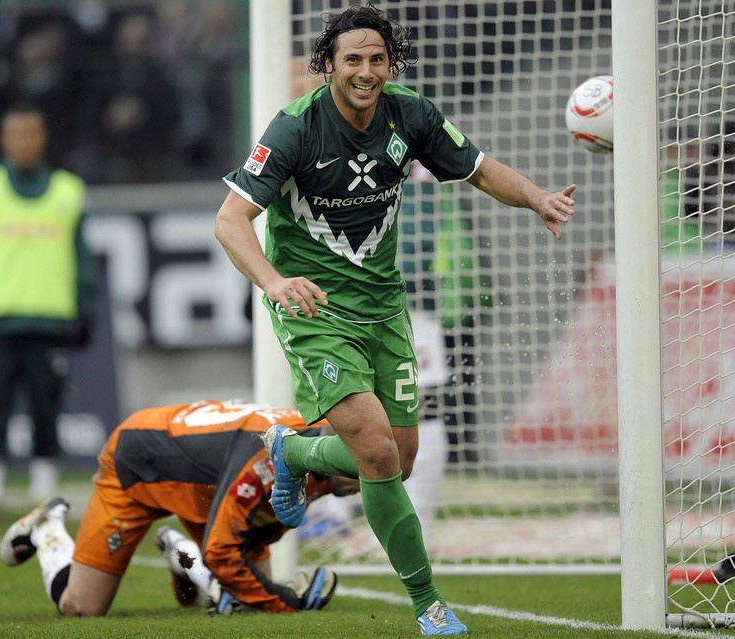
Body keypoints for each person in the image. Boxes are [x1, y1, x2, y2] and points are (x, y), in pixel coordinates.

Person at [213, 4, 576, 635]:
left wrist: (537, 197)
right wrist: (274, 282)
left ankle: (293, 451)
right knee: (378, 454)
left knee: (399, 461)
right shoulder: (295, 127)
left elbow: (480, 169)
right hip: (316, 311)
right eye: (352, 59)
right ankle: (428, 602)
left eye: (376, 59)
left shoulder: (411, 113)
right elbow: (229, 220)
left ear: (390, 65)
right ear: (327, 66)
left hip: (384, 308)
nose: (365, 71)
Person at [0, 399, 355, 616]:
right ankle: (46, 530)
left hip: (201, 481)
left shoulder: (315, 439)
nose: (365, 481)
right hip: (137, 464)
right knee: (83, 606)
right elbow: (221, 552)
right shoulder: (267, 459)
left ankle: (183, 557)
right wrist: (285, 601)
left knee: (243, 597)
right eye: (363, 471)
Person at [0, 102, 98, 523]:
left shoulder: (69, 191)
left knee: (46, 410)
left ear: (42, 138)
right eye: (16, 135)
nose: (24, 143)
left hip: (50, 320)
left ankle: (42, 494)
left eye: (31, 135)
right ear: (4, 140)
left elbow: (82, 255)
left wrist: (85, 308)